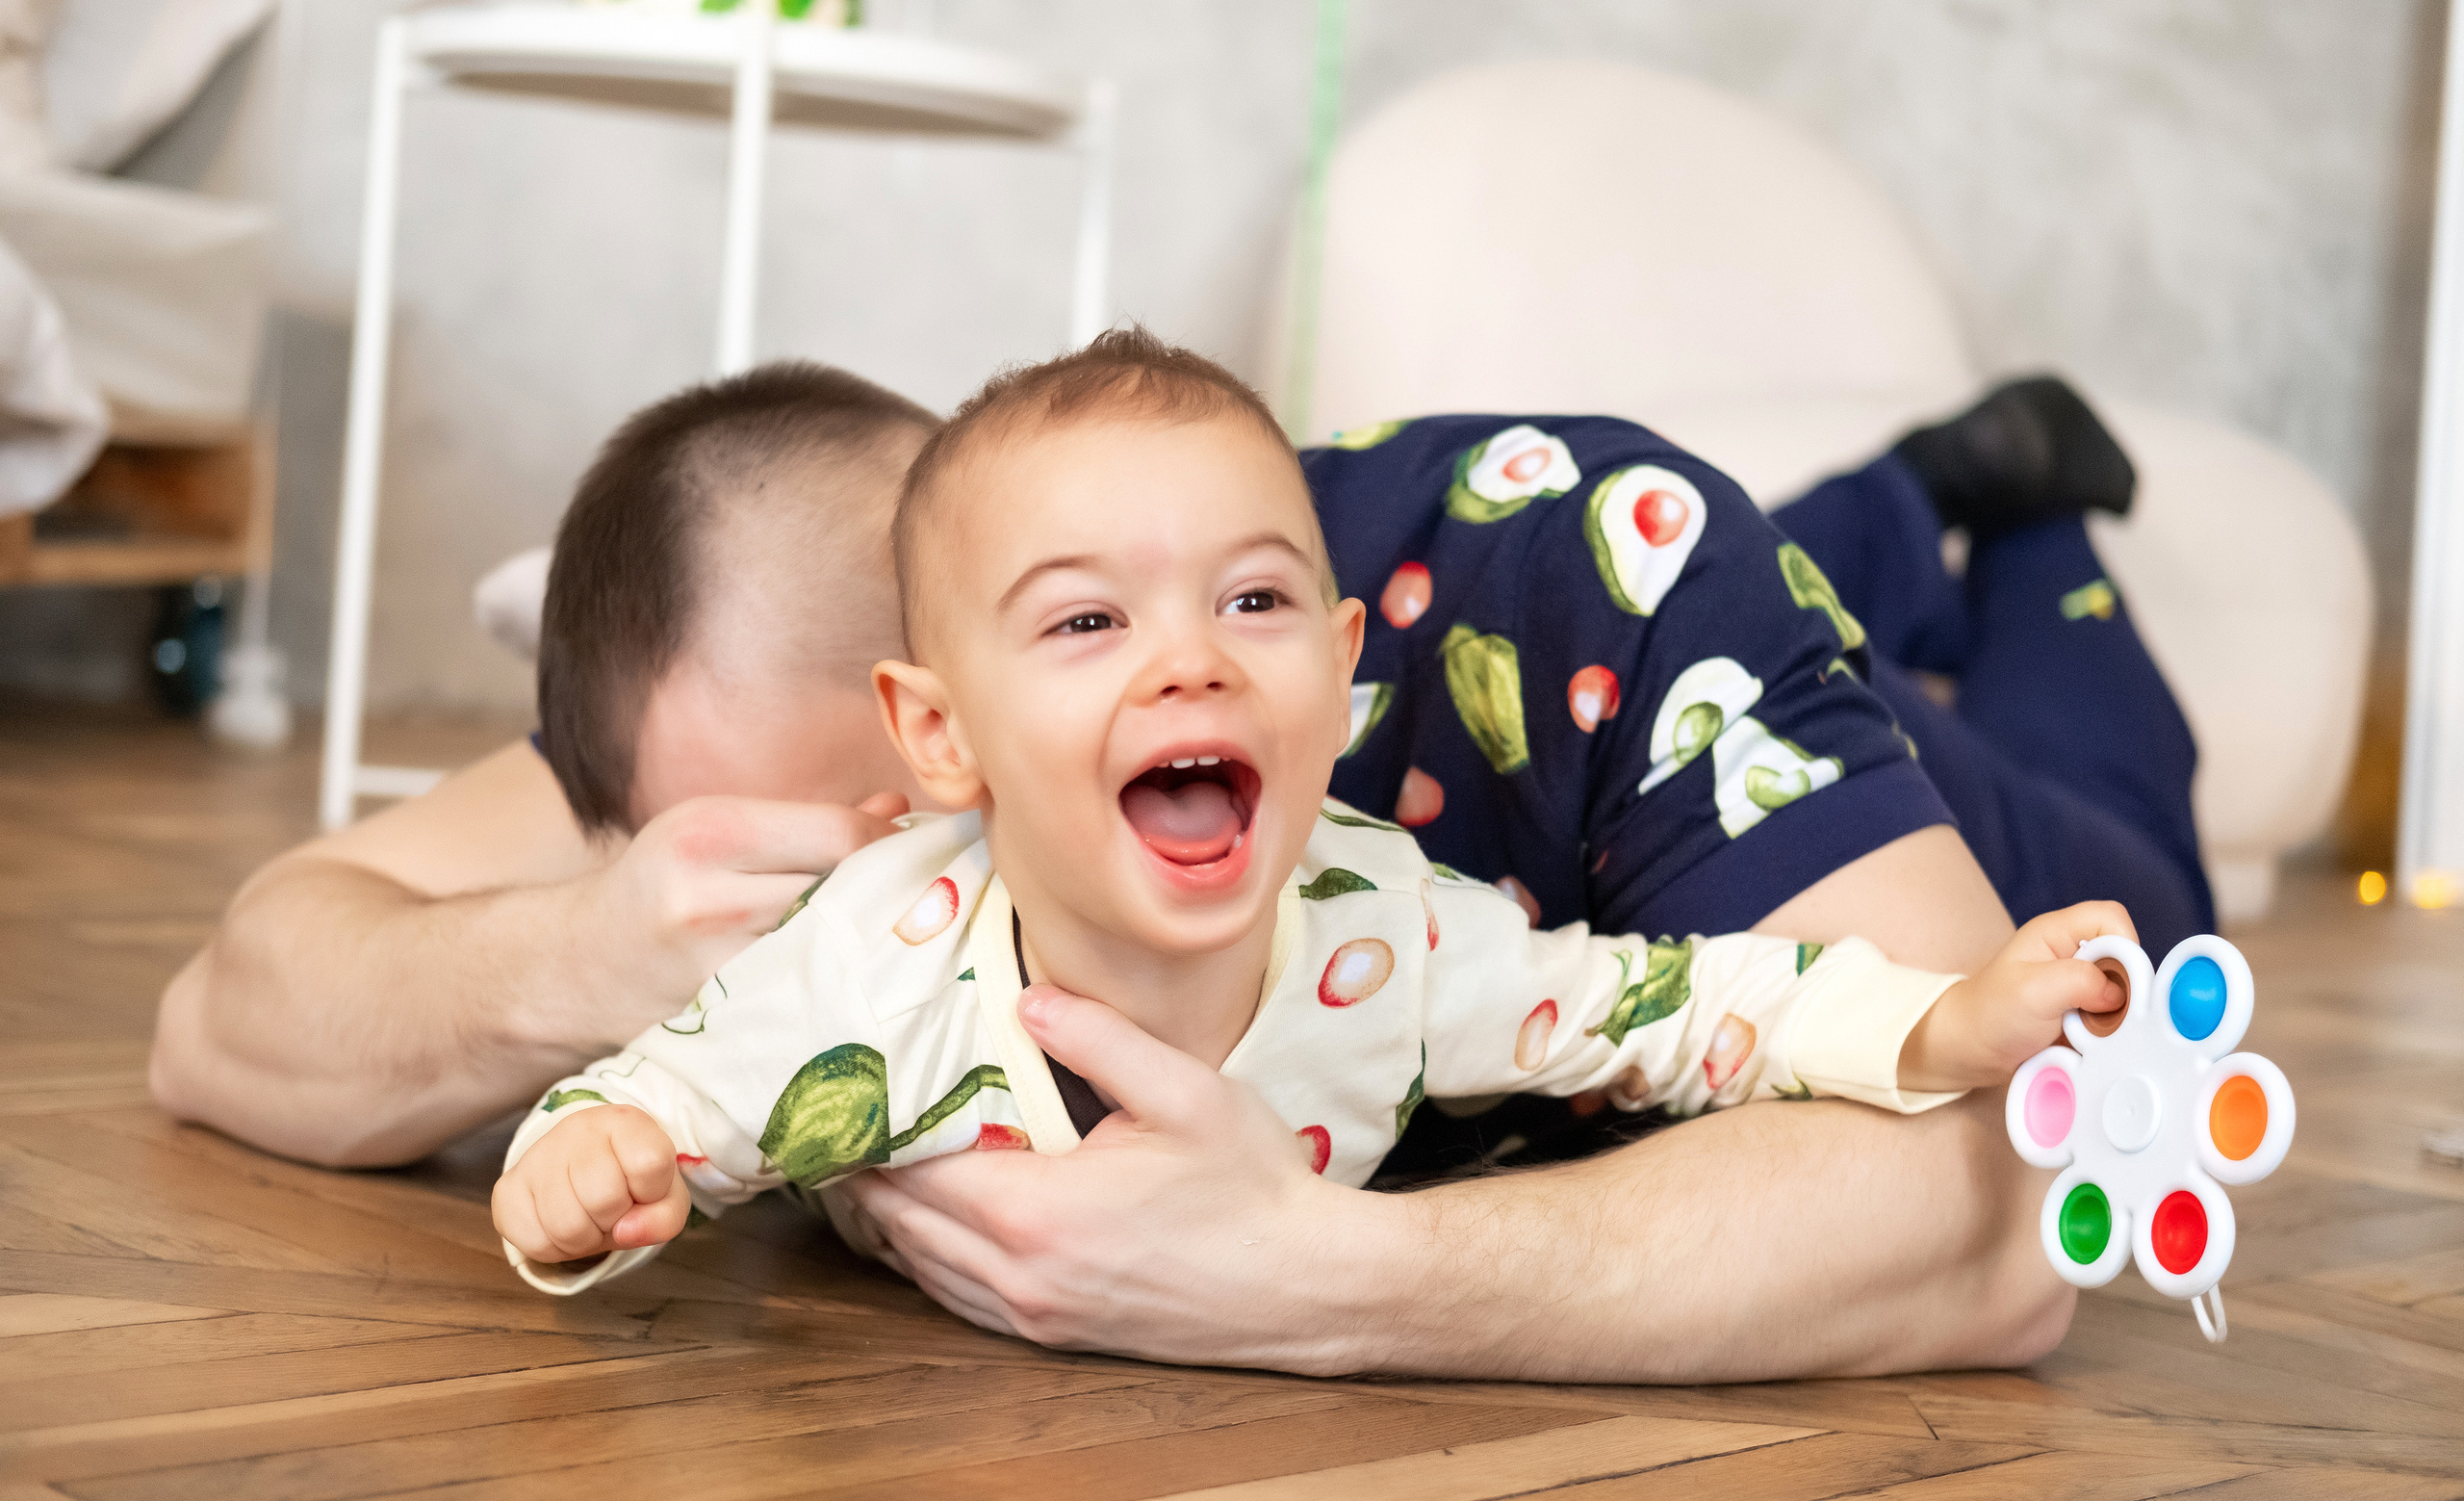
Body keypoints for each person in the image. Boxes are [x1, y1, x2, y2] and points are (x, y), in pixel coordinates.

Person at [151, 353, 2194, 1380]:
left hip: (1995, 834)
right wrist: (593, 959)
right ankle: (1907, 498)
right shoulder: (776, 724)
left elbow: (2013, 1218)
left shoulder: (1575, 569)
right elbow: (223, 1012)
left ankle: (2006, 529)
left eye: (892, 841)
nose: (884, 883)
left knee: (2107, 778)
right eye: (806, 866)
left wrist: (1339, 1282)